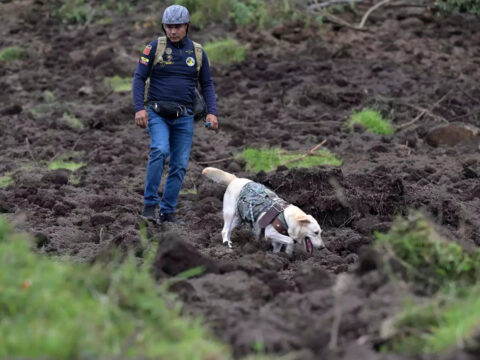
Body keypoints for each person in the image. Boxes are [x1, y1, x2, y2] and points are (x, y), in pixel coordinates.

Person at [132, 4, 218, 224]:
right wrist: (139, 108)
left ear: (186, 26)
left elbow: (206, 83)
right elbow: (139, 78)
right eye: (168, 26)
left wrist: (212, 113)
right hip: (157, 113)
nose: (172, 31)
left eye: (177, 26)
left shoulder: (197, 52)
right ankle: (149, 206)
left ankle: (167, 211)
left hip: (185, 117)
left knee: (179, 164)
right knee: (160, 151)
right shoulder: (153, 48)